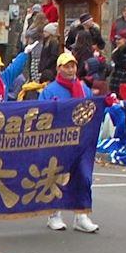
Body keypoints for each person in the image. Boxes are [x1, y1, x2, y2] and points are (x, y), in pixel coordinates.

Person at [37, 52, 99, 233]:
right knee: (56, 177)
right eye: (67, 66)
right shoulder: (49, 90)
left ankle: (81, 215)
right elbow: (40, 113)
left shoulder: (83, 89)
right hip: (58, 142)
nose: (71, 69)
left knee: (83, 176)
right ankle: (54, 214)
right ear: (59, 68)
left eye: (73, 66)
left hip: (80, 141)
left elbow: (91, 110)